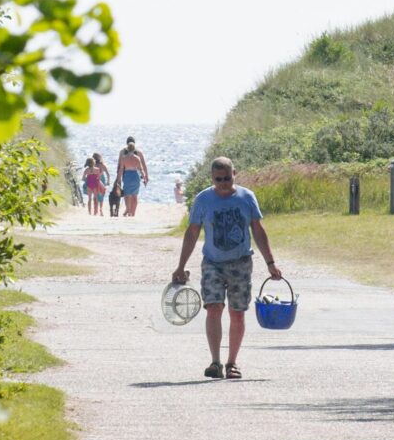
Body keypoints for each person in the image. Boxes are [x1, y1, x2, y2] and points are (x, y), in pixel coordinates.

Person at [172, 157, 282, 380]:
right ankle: (215, 362)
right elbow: (192, 232)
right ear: (212, 178)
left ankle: (232, 362)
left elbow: (258, 230)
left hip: (241, 262)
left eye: (227, 178)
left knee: (237, 313)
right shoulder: (203, 200)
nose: (223, 183)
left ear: (234, 173)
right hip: (212, 262)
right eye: (218, 179)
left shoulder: (246, 197)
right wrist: (181, 265)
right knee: (213, 308)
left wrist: (270, 263)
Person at [116, 135, 148, 217]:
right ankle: (133, 213)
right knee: (135, 195)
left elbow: (120, 167)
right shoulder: (138, 156)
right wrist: (145, 177)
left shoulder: (123, 155)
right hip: (135, 176)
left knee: (127, 195)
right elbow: (142, 168)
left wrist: (118, 179)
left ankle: (128, 210)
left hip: (126, 175)